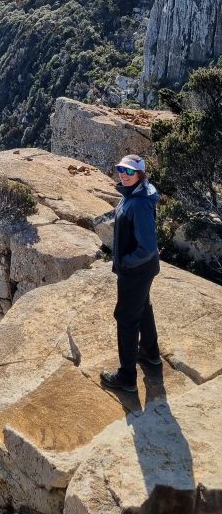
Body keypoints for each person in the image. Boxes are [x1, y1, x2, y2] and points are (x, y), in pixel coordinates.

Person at [100, 153, 162, 393]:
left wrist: (125, 261)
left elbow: (147, 247)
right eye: (120, 170)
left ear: (140, 174)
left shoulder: (138, 203)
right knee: (143, 307)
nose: (123, 175)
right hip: (142, 270)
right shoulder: (135, 194)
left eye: (129, 171)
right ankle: (149, 352)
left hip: (136, 271)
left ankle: (126, 377)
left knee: (126, 318)